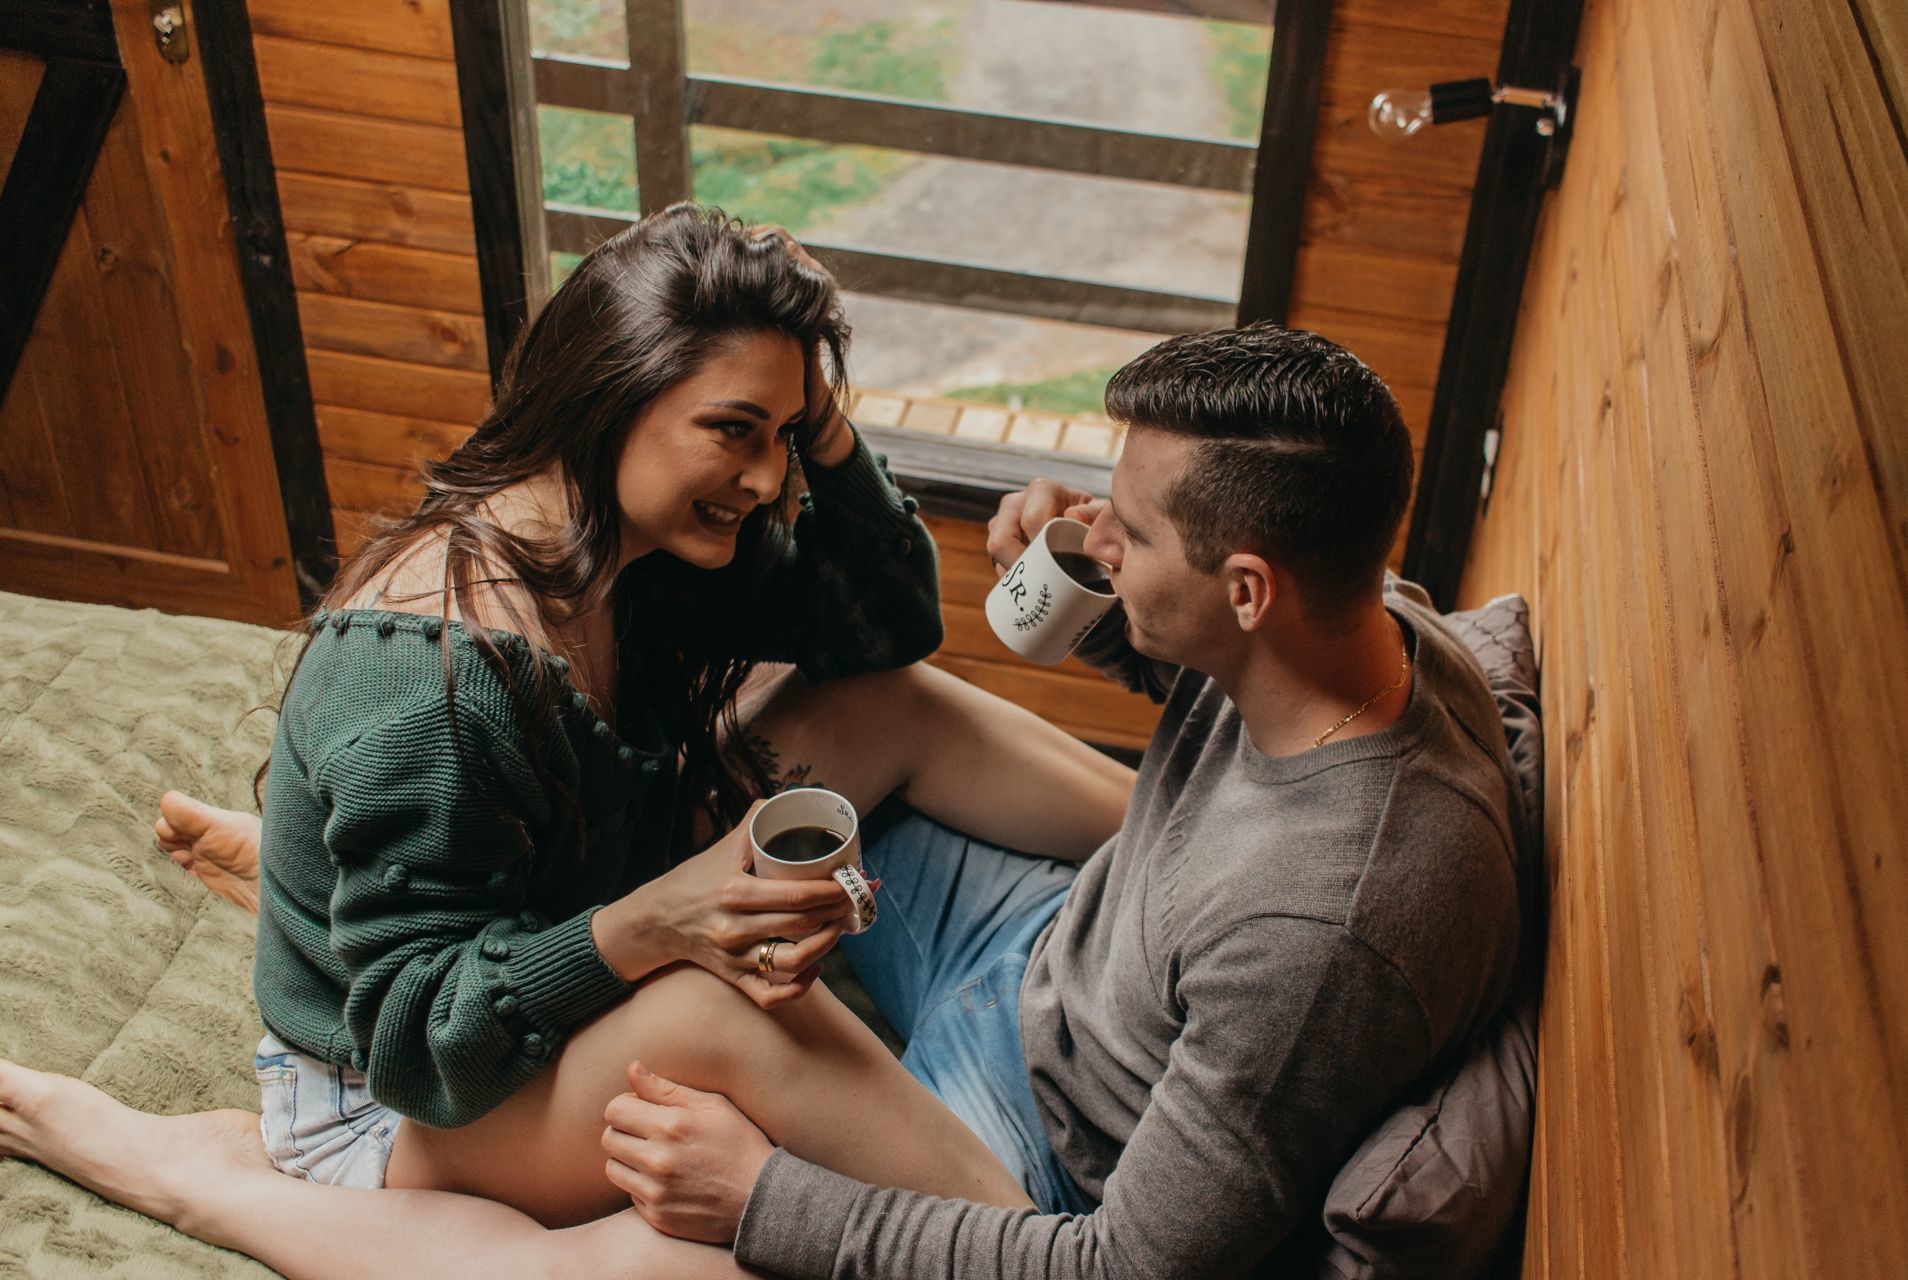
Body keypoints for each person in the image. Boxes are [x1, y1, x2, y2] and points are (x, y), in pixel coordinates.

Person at [0, 324, 1526, 1279]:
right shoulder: (1382, 624)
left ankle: (238, 1160)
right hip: (1072, 945)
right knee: (848, 712)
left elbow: (1124, 1267)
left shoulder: (1321, 930)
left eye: (1127, 533)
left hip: (1045, 1143)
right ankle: (366, 894)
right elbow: (1133, 677)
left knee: (687, 1151)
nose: (1094, 540)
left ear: (1250, 586)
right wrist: (1107, 603)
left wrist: (769, 1200)